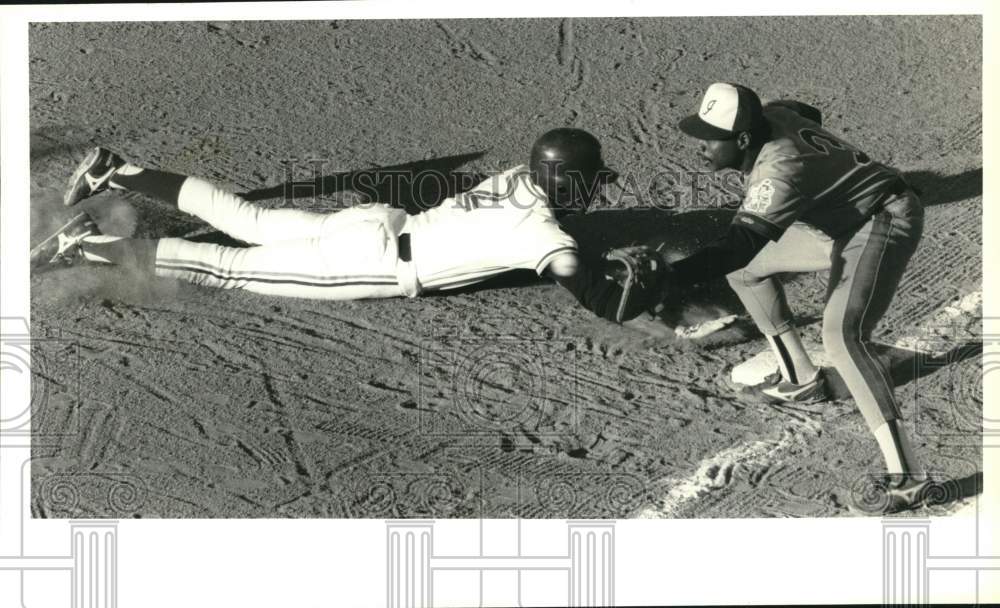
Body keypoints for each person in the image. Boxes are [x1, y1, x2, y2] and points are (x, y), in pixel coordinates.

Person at [666, 82, 930, 512]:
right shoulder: (774, 116)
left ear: (744, 139)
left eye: (711, 138)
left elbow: (737, 245)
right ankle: (801, 380)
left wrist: (666, 279)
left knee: (843, 337)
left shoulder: (779, 172)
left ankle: (909, 476)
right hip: (842, 226)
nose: (701, 146)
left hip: (883, 221)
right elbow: (803, 110)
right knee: (746, 271)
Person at [34, 129, 620, 299]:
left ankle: (119, 170)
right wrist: (624, 291)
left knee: (250, 221)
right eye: (592, 180)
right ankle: (87, 247)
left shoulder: (518, 178)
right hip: (372, 262)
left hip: (371, 223)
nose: (596, 191)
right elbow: (573, 273)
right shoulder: (542, 231)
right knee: (225, 266)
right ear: (568, 180)